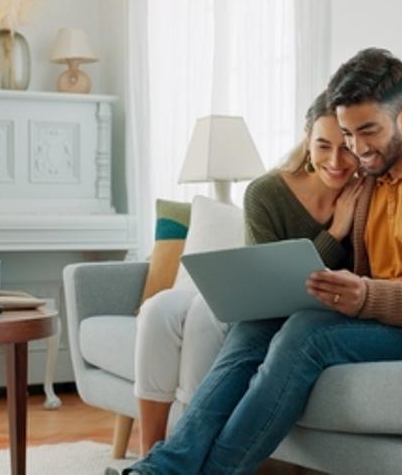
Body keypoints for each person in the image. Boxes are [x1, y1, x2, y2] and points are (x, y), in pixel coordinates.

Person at [121, 47, 402, 475]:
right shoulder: (371, 173)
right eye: (348, 134)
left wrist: (366, 295)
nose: (357, 150)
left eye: (369, 131)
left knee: (308, 333)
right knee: (257, 324)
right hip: (376, 316)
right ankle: (159, 469)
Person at [130, 90, 362, 457]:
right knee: (160, 309)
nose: (336, 160)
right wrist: (334, 235)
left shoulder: (365, 195)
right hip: (262, 306)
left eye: (346, 147)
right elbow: (268, 286)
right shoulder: (267, 192)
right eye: (322, 145)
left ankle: (177, 460)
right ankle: (151, 455)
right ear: (306, 138)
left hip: (311, 315)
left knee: (205, 317)